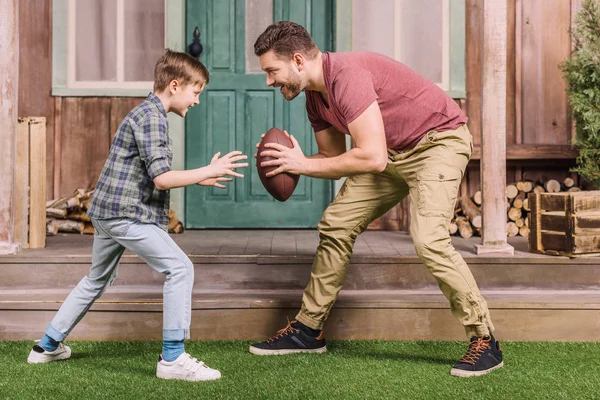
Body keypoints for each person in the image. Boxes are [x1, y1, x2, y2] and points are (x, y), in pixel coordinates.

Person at [249, 21, 503, 378]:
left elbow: (372, 158)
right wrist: (291, 159)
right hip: (392, 152)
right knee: (336, 224)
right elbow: (332, 159)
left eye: (272, 71)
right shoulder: (315, 98)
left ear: (297, 60)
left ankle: (485, 339)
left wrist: (303, 164)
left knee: (429, 239)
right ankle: (308, 330)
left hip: (438, 142)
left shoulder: (347, 77)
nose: (269, 80)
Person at [27, 49, 248, 382]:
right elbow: (161, 177)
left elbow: (155, 174)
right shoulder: (152, 118)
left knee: (96, 280)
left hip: (106, 212)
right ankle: (173, 359)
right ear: (175, 85)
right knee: (180, 267)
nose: (197, 100)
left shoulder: (145, 113)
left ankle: (46, 346)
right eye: (196, 92)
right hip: (123, 215)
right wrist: (207, 169)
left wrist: (199, 176)